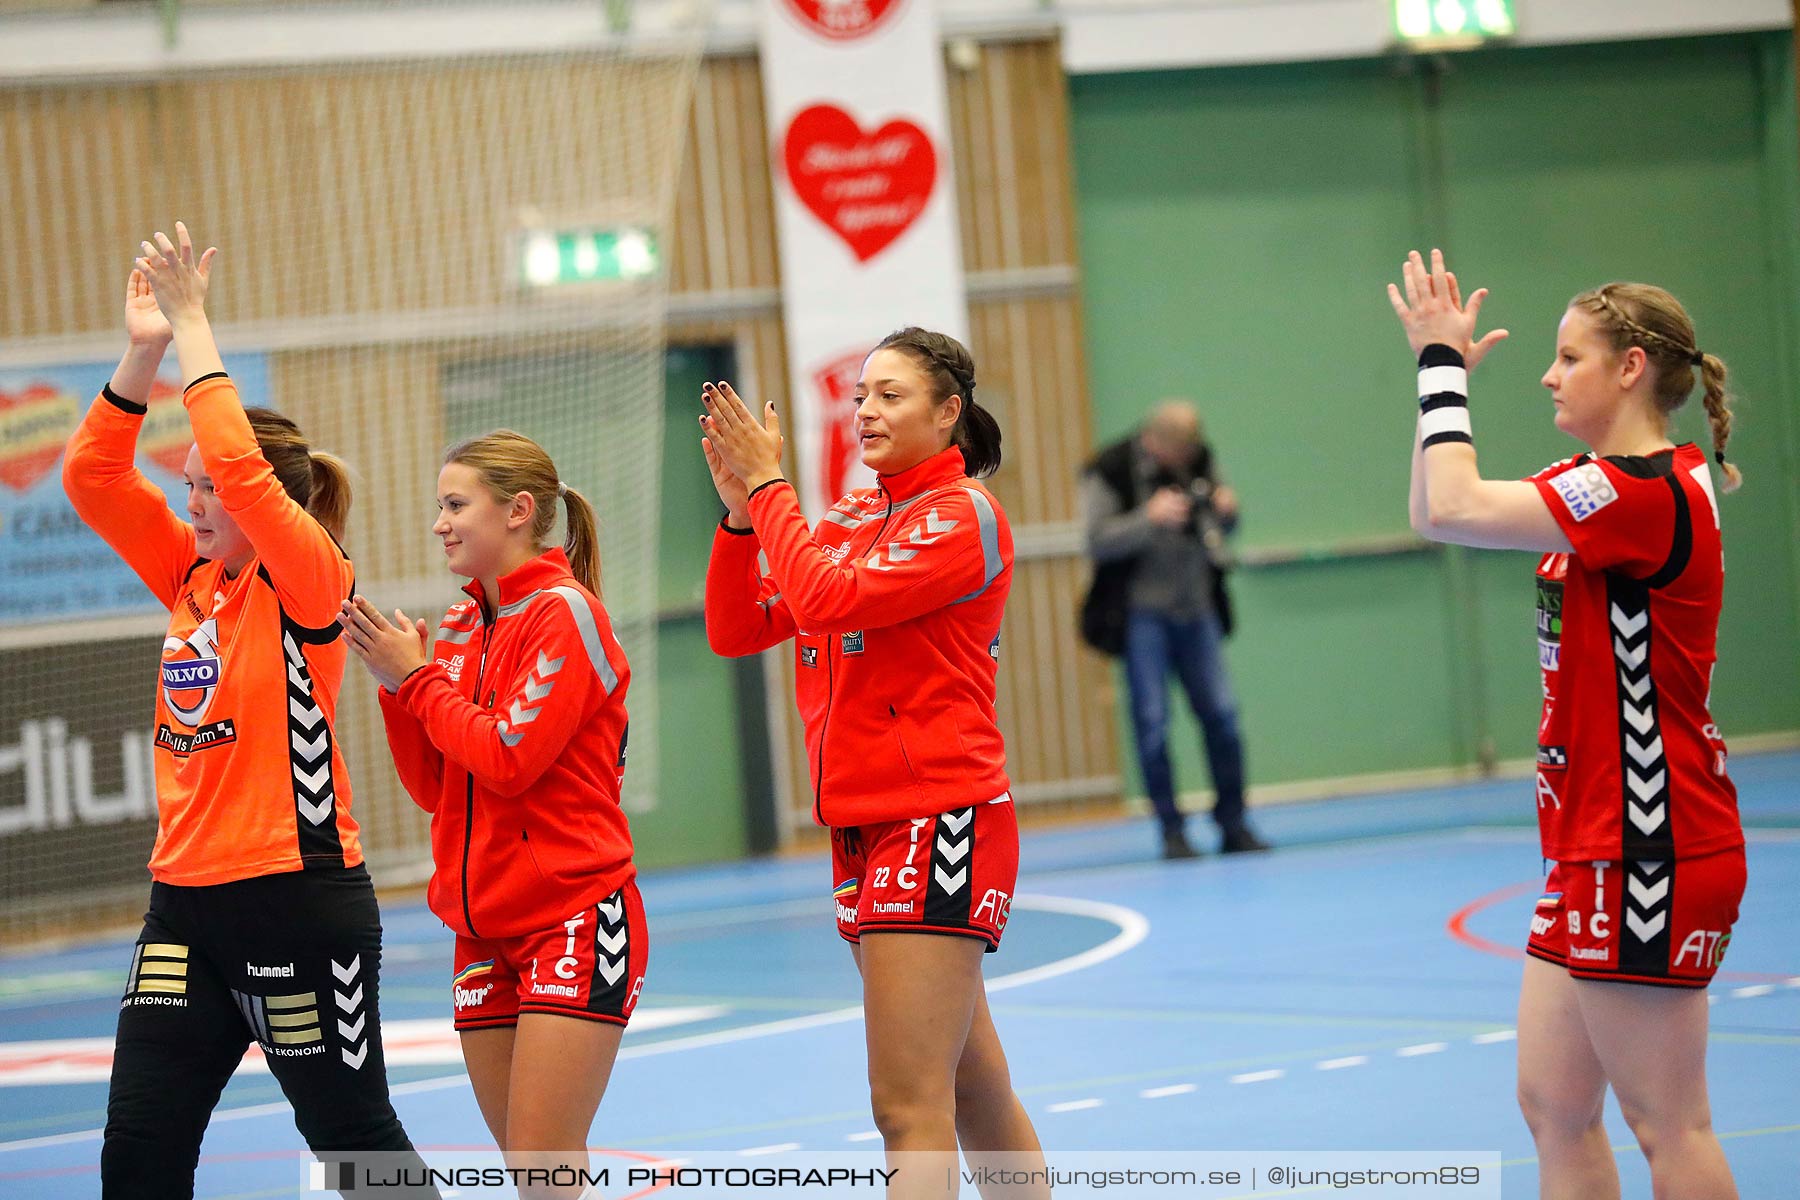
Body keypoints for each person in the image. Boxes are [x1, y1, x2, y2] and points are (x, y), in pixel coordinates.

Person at [63, 226, 434, 1198]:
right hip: (183, 903)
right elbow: (93, 479)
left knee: (354, 1140)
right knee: (137, 1153)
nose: (190, 504)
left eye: (208, 491)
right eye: (185, 488)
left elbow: (240, 460)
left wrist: (194, 323)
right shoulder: (192, 579)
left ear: (266, 500)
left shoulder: (310, 582)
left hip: (297, 900)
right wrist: (143, 348)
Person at [1389, 249, 1745, 1200]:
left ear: (1631, 368)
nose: (1548, 375)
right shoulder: (1600, 482)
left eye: (1569, 357)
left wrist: (1440, 368)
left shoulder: (1643, 494)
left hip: (1651, 844)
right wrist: (1439, 382)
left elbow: (1459, 499)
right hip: (1590, 842)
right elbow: (1437, 512)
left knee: (1668, 1122)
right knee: (1554, 1106)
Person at [700, 328, 1047, 1199]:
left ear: (948, 412)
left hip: (938, 817)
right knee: (971, 1086)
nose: (866, 412)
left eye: (891, 395)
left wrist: (775, 487)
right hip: (862, 823)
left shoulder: (961, 516)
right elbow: (740, 628)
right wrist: (743, 513)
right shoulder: (855, 515)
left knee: (906, 1104)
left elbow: (825, 599)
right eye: (860, 396)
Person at [338, 430, 641, 1200]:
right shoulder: (460, 624)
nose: (440, 522)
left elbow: (509, 757)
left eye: (455, 504)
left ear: (519, 512)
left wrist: (419, 683)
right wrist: (396, 686)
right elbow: (439, 788)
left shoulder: (565, 615)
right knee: (532, 1176)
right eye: (438, 506)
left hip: (572, 917)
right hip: (481, 931)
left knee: (545, 1169)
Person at [1080, 401, 1269, 859]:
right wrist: (1150, 518)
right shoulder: (1110, 468)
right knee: (1152, 724)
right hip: (1143, 616)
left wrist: (1227, 511)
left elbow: (1223, 522)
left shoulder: (1200, 458)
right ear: (1153, 441)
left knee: (1222, 717)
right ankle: (1171, 830)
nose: (1185, 460)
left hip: (1197, 608)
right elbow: (1096, 540)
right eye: (1177, 452)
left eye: (1190, 451)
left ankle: (1233, 822)